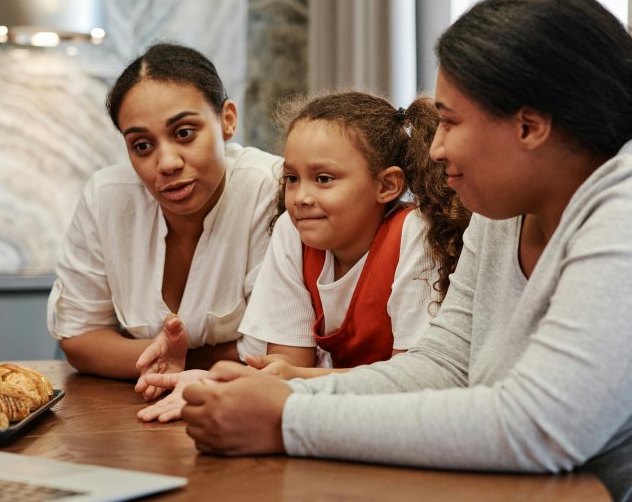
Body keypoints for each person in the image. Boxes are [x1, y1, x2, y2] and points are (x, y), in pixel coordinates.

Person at [144, 0, 632, 500]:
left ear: (530, 127)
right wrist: (280, 396)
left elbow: (538, 429)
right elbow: (442, 369)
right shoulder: (502, 211)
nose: (435, 149)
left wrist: (285, 422)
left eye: (452, 123)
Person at [136, 92, 469, 423]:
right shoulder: (291, 232)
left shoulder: (414, 233)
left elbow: (413, 382)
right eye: (292, 179)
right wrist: (219, 383)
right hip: (335, 416)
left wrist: (294, 379)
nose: (300, 197)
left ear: (387, 185)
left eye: (324, 179)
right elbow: (283, 366)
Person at [46, 42, 280, 391]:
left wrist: (172, 361)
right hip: (134, 410)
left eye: (184, 134)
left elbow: (276, 351)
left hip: (239, 406)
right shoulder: (107, 197)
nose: (167, 163)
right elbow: (79, 338)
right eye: (142, 145)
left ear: (227, 120)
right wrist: (161, 356)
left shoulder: (270, 188)